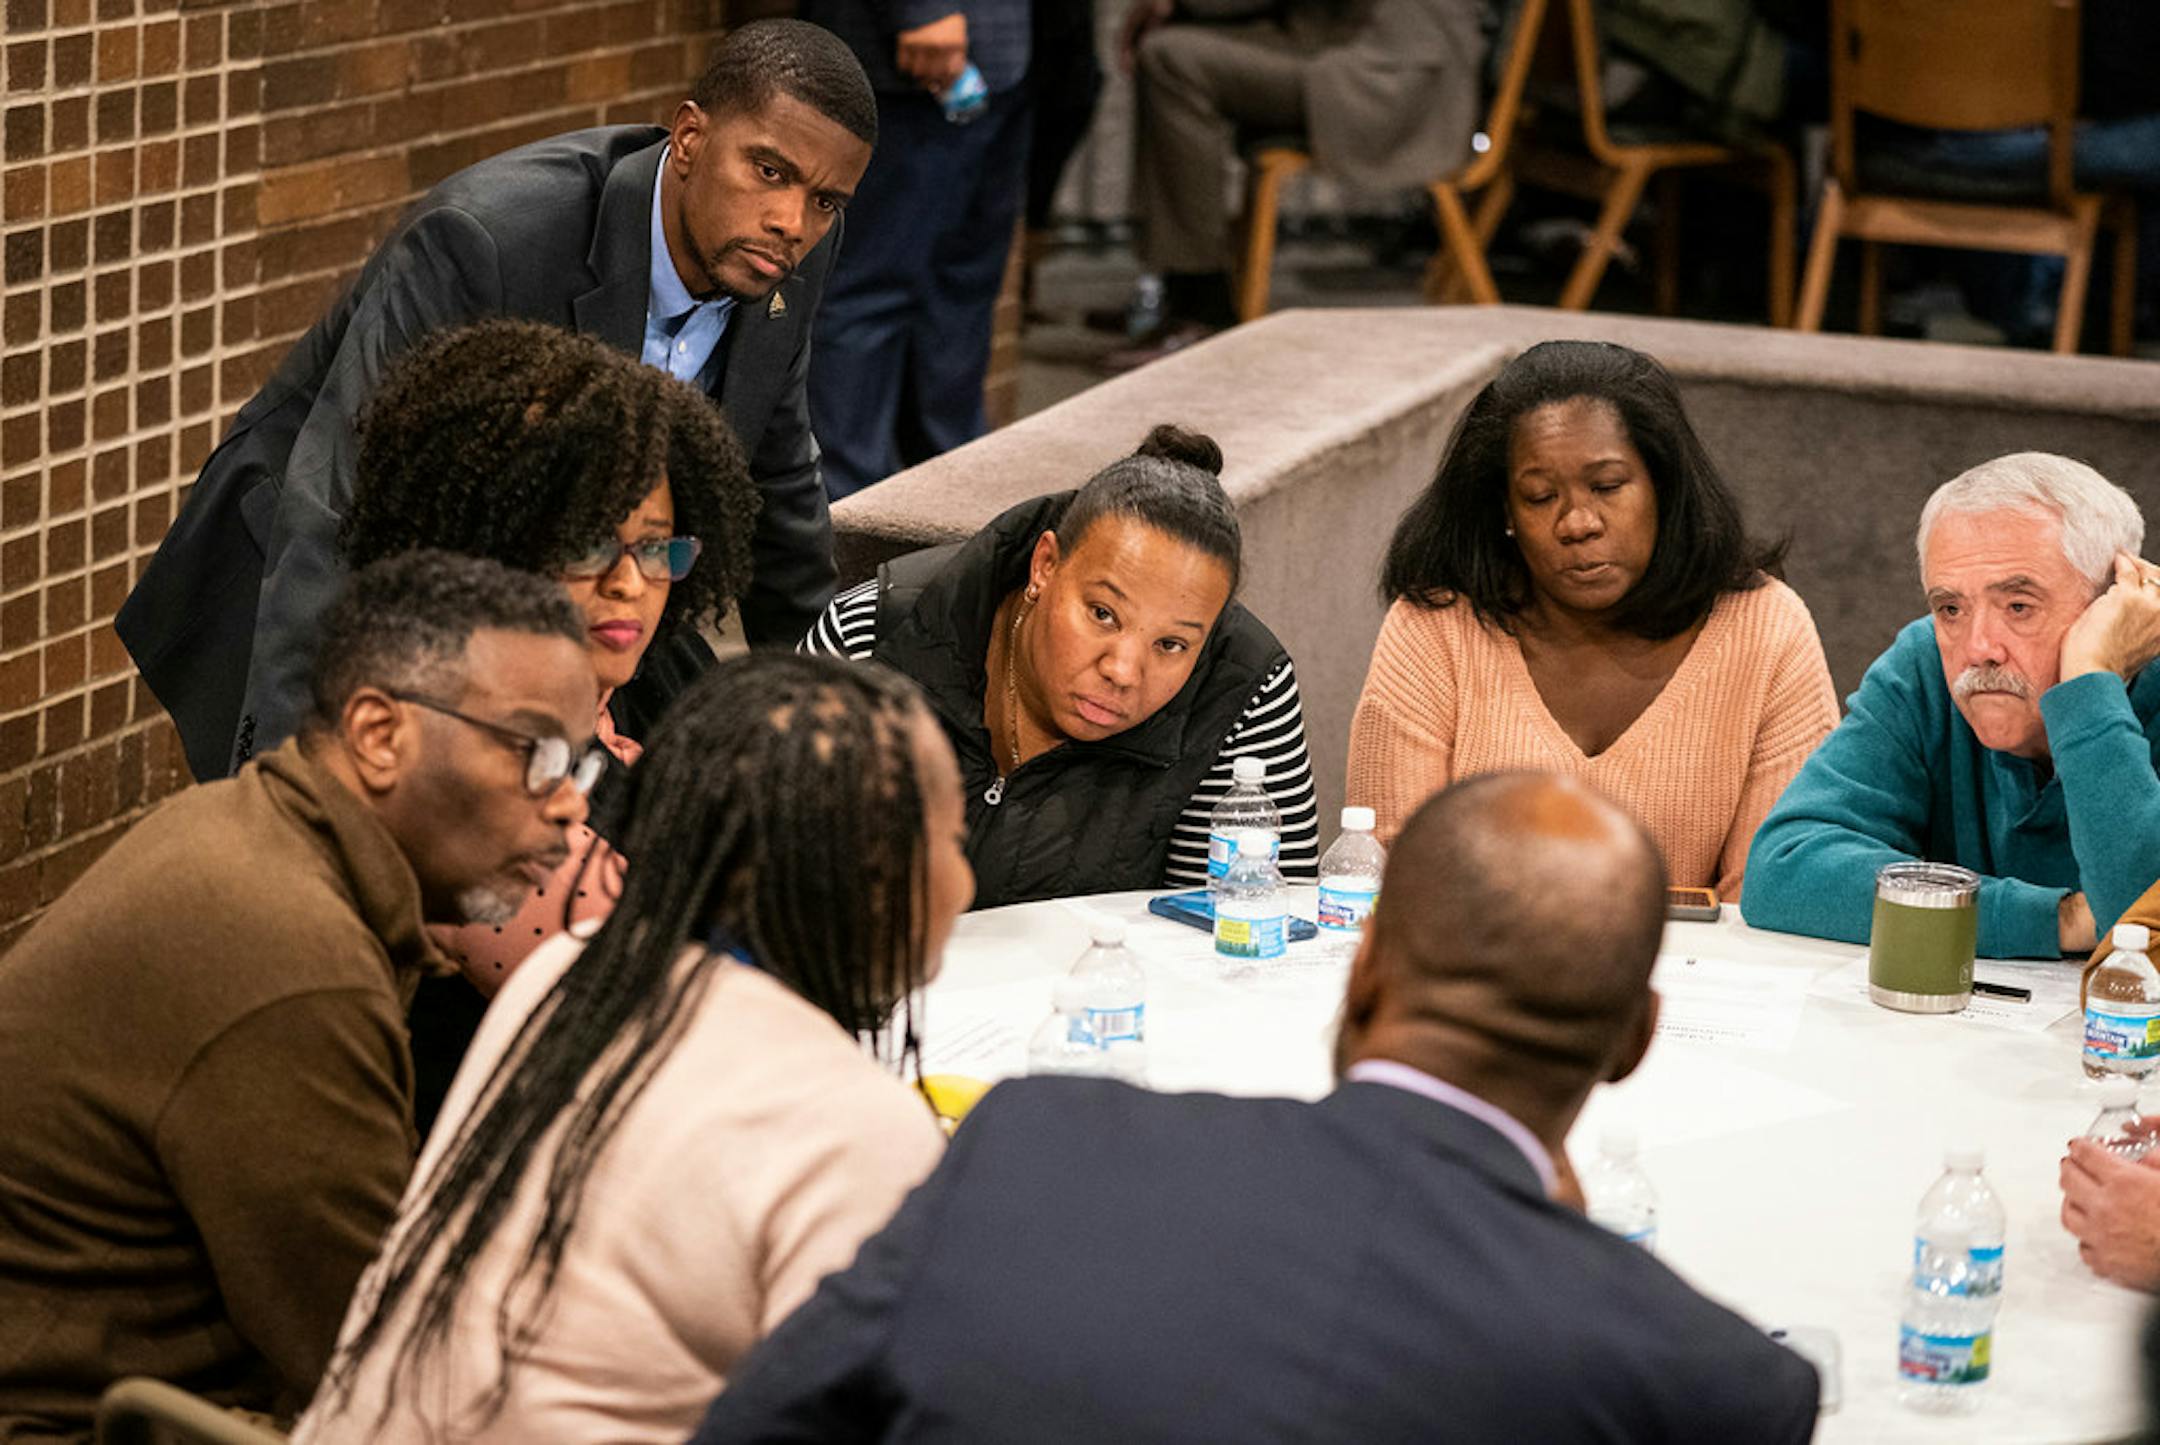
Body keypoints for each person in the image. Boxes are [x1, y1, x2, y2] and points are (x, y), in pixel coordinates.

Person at [689, 772, 1822, 1442]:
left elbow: (760, 1426)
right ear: (1633, 1041)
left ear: (1364, 961)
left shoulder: (1034, 1142)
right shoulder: (1703, 1378)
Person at [115, 19, 879, 782]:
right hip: (329, 582)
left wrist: (833, 733)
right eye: (770, 172)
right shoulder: (486, 242)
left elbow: (778, 498)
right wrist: (294, 789)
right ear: (688, 139)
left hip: (560, 589)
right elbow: (340, 505)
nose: (793, 222)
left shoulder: (784, 258)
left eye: (827, 202)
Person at [0, 552, 602, 1439]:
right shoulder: (288, 955)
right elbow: (393, 1359)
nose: (567, 809)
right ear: (378, 732)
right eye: (536, 755)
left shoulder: (256, 834)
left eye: (578, 769)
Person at [294, 655, 968, 1444]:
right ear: (881, 881)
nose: (968, 877)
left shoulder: (571, 964)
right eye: (953, 840)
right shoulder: (852, 1122)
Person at [337, 318, 759, 1132]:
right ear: (487, 547)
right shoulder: (454, 761)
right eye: (587, 545)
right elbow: (645, 1015)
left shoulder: (660, 675)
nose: (630, 583)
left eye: (657, 547)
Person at [1347, 340, 1837, 902]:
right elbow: (1390, 878)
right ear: (1505, 512)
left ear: (1663, 484)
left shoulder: (1768, 629)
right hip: (1473, 977)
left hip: (1694, 981)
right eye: (1540, 497)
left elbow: (1764, 897)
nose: (1577, 522)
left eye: (1607, 487)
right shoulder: (1436, 627)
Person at [802, 423, 1318, 905]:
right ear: (1045, 566)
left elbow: (1247, 933)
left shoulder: (1245, 692)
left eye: (1171, 645)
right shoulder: (872, 636)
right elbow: (778, 880)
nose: (1123, 670)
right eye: (1103, 614)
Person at [1744, 452, 2160, 958]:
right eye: (1951, 609)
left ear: (2115, 603)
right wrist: (2057, 918)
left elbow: (2142, 936)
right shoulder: (1922, 666)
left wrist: (2091, 682)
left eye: (2019, 606)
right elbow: (1783, 870)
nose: (1978, 648)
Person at [1108, 0, 1485, 365]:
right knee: (1175, 43)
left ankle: (1201, 303)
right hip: (1353, 42)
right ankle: (1182, 292)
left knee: (1171, 58)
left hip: (1393, 69)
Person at [795, 0, 1032, 498]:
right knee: (867, 297)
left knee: (960, 296)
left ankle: (947, 513)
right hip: (910, 60)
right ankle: (853, 521)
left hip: (1002, 61)